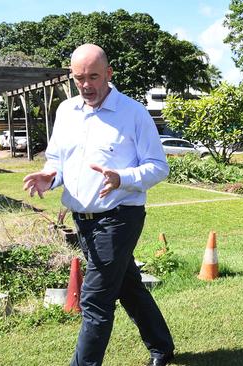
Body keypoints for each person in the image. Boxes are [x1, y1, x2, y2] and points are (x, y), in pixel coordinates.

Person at [22, 44, 175, 366]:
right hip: (83, 219)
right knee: (128, 286)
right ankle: (162, 347)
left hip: (119, 216)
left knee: (94, 299)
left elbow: (159, 166)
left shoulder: (133, 113)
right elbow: (58, 161)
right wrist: (50, 177)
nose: (87, 85)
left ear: (109, 74)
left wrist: (122, 177)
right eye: (79, 78)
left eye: (93, 76)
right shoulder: (66, 111)